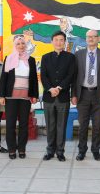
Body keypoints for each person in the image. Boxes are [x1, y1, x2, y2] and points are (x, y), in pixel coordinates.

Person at [72, 29, 100, 161]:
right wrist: (74, 95)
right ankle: (81, 151)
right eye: (88, 37)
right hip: (82, 94)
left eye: (93, 37)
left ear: (98, 39)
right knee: (82, 125)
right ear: (86, 38)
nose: (90, 39)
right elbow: (74, 77)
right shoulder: (78, 54)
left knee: (97, 125)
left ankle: (96, 150)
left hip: (98, 95)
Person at [0, 35, 39, 159]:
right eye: (18, 44)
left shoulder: (31, 60)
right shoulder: (9, 58)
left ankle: (21, 148)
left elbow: (34, 80)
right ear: (14, 45)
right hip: (11, 97)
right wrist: (1, 95)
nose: (21, 46)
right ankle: (11, 149)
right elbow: (4, 79)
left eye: (23, 43)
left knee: (24, 124)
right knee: (10, 124)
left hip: (25, 98)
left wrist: (35, 95)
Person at [41, 31, 75, 162]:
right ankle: (50, 151)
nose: (59, 42)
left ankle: (60, 152)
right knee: (50, 125)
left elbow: (70, 75)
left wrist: (59, 88)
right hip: (49, 97)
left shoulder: (70, 57)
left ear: (65, 42)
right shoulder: (45, 57)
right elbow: (43, 76)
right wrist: (50, 88)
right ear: (52, 41)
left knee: (61, 125)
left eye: (61, 40)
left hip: (63, 96)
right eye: (56, 40)